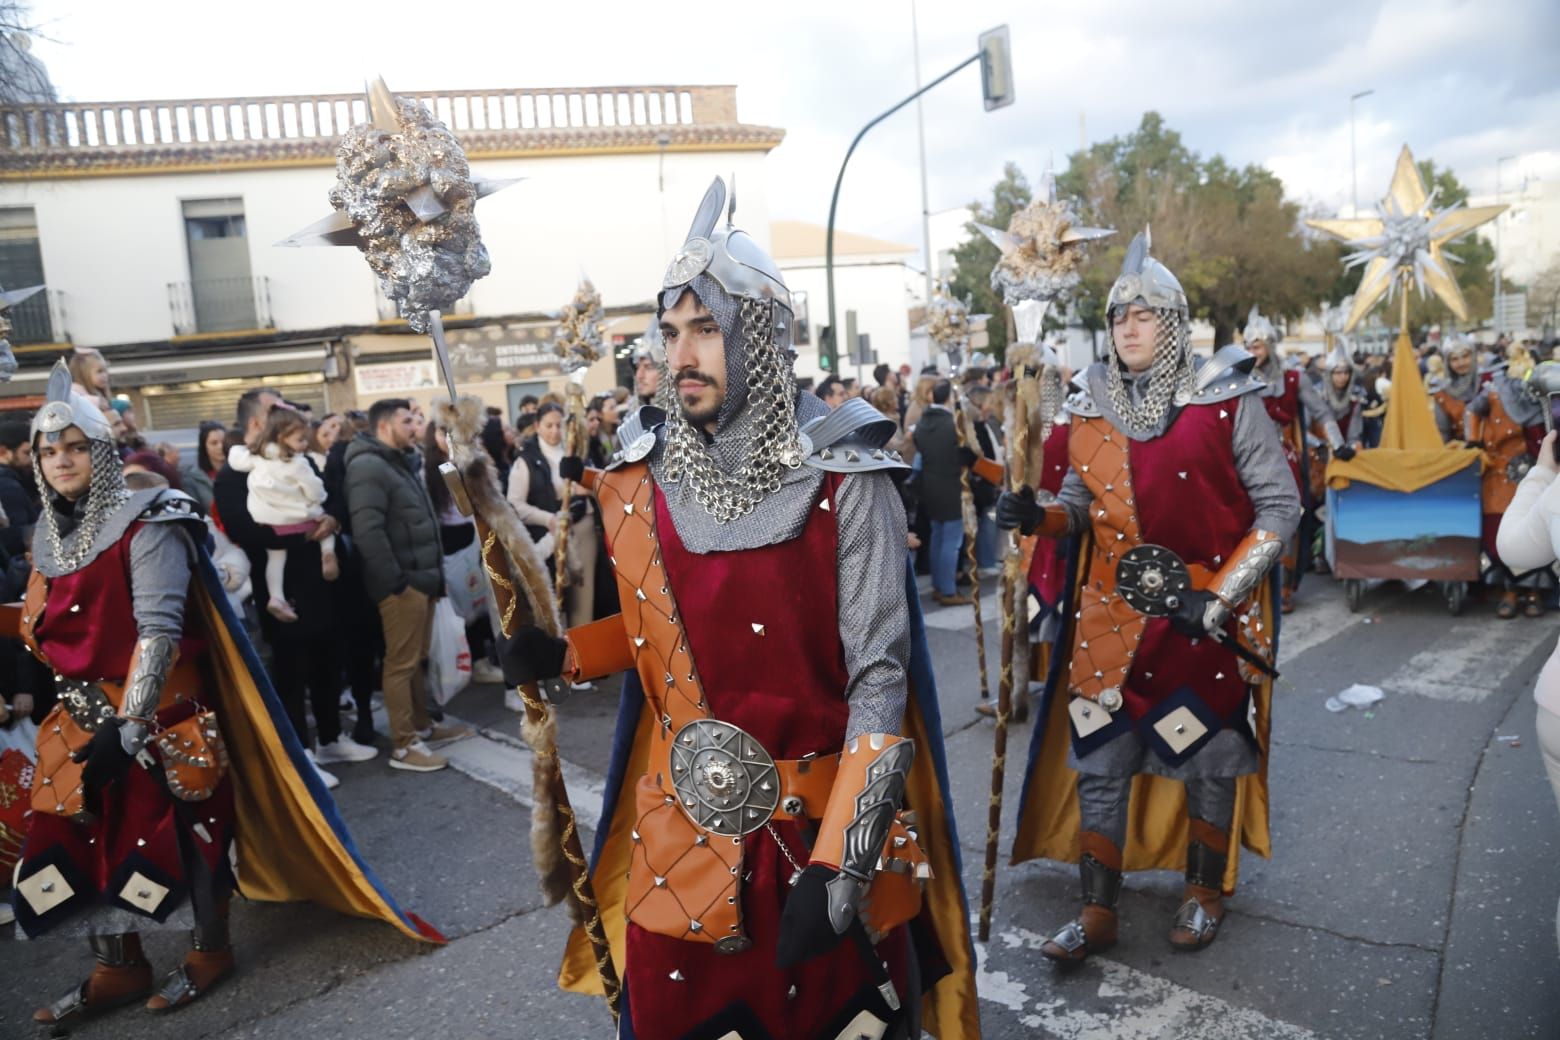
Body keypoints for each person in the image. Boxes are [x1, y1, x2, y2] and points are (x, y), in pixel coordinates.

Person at [517, 177, 976, 1039]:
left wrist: (845, 864)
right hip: (682, 850)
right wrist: (567, 654)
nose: (678, 355)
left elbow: (880, 681)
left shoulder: (848, 477)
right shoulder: (644, 480)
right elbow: (666, 637)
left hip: (818, 835)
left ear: (759, 337)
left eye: (704, 329)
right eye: (669, 332)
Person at [14, 363, 438, 1030]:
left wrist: (128, 730)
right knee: (80, 837)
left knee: (186, 839)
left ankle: (210, 952)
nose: (61, 460)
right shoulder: (45, 537)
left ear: (100, 453)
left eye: (74, 447)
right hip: (77, 719)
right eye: (49, 450)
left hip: (160, 718)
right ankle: (118, 965)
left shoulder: (149, 519)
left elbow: (156, 630)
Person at [998, 232, 1300, 962]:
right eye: (1117, 318)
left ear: (1174, 324)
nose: (1128, 328)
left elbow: (1280, 509)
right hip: (1111, 619)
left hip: (1202, 619)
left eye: (1144, 316)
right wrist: (1035, 516)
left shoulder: (1228, 399)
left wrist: (1222, 597)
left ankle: (1203, 894)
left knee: (1211, 758)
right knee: (1101, 762)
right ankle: (1097, 909)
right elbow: (1077, 508)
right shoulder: (1090, 405)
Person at [213, 389, 368, 784]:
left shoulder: (294, 458)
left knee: (329, 659)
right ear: (256, 424)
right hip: (280, 583)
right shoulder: (235, 473)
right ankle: (301, 752)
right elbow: (243, 528)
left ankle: (331, 737)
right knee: (292, 671)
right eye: (277, 413)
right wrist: (302, 535)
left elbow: (326, 496)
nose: (288, 418)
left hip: (322, 576)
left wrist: (329, 520)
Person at [344, 398, 464, 773]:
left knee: (415, 661)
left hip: (421, 578)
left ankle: (422, 727)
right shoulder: (368, 466)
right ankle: (403, 745)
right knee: (401, 663)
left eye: (416, 419)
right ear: (383, 426)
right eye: (406, 420)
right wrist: (398, 584)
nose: (416, 426)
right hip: (403, 585)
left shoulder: (399, 461)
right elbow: (368, 531)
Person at [1243, 307, 1352, 612]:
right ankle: (1250, 582)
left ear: (1270, 345)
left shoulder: (1293, 378)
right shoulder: (1237, 378)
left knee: (1286, 519)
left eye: (1258, 345)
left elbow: (1321, 412)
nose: (1254, 351)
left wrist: (1338, 442)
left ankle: (1284, 586)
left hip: (1283, 458)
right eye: (1250, 346)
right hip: (1245, 457)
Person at [228, 408, 340, 623]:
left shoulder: (257, 458)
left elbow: (236, 459)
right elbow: (316, 491)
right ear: (282, 438)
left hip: (271, 522)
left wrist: (244, 447)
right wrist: (320, 498)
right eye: (300, 440)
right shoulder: (297, 464)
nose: (305, 445)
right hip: (302, 520)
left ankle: (277, 597)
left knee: (276, 558)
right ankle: (328, 554)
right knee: (326, 528)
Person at [1468, 345, 1554, 618]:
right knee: (1500, 532)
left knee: (1538, 528)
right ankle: (1508, 589)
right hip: (1499, 470)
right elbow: (1472, 411)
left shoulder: (1542, 396)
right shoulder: (1494, 390)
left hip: (1535, 466)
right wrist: (1471, 443)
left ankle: (1533, 591)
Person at [506, 402, 597, 631]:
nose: (555, 431)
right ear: (537, 426)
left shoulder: (574, 451)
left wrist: (587, 488)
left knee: (583, 595)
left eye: (559, 425)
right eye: (549, 425)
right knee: (556, 599)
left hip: (581, 527)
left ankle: (583, 651)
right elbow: (515, 504)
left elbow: (594, 483)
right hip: (548, 535)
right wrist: (548, 519)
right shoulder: (526, 459)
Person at [913, 380, 971, 607]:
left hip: (930, 486)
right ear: (948, 398)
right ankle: (947, 590)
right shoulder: (951, 424)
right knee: (951, 542)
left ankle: (940, 586)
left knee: (938, 538)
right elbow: (965, 453)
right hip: (950, 486)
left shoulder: (922, 423)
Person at [1428, 334, 1480, 443]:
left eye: (1465, 356)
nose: (1461, 363)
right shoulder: (1443, 394)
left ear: (1473, 356)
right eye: (1454, 359)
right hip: (1463, 451)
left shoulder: (1489, 383)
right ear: (1448, 363)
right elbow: (1443, 434)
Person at [0, 418, 39, 554]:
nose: (32, 460)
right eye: (26, 453)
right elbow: (15, 539)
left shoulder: (17, 479)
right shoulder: (7, 486)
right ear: (3, 452)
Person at [179, 420, 226, 514]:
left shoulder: (241, 470)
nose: (220, 446)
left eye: (224, 442)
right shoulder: (192, 479)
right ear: (204, 447)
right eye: (214, 443)